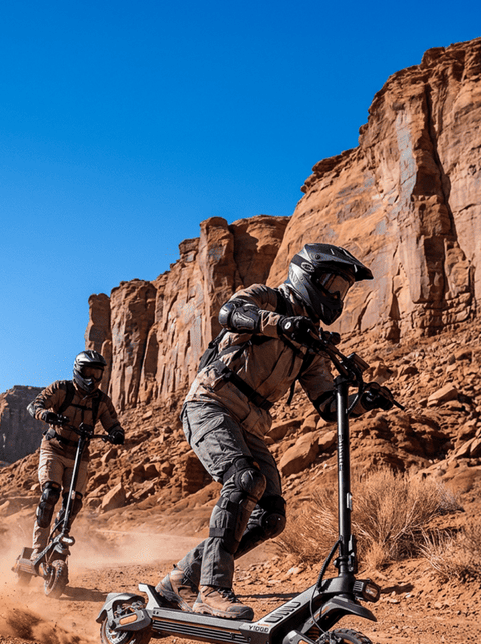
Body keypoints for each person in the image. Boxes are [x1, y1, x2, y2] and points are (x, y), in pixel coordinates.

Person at [156, 243, 397, 620]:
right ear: (307, 275)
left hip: (250, 423)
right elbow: (229, 313)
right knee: (244, 480)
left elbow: (327, 407)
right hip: (210, 402)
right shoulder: (268, 297)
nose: (336, 296)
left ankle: (181, 578)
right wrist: (281, 323)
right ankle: (212, 590)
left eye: (343, 290)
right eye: (333, 285)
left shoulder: (311, 345)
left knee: (270, 516)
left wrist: (365, 401)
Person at [13, 350, 125, 573]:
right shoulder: (61, 389)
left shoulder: (101, 400)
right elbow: (35, 405)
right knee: (50, 494)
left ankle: (57, 542)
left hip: (80, 454)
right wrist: (44, 414)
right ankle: (38, 549)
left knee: (73, 502)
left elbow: (112, 423)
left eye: (97, 373)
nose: (92, 378)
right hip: (54, 449)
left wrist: (117, 433)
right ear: (78, 371)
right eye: (88, 372)